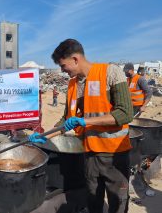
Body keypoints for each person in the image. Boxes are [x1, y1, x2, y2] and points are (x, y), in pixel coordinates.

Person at [29, 39, 133, 213]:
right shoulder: (73, 84)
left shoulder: (111, 73)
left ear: (75, 59)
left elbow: (125, 113)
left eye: (63, 66)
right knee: (93, 198)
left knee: (118, 201)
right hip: (89, 154)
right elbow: (66, 119)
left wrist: (86, 121)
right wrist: (44, 137)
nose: (62, 71)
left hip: (114, 154)